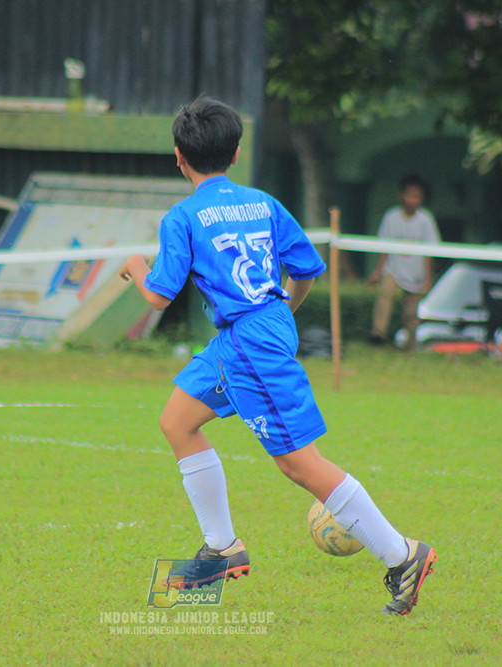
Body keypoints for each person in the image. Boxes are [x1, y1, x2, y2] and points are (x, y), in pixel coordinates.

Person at [119, 97, 436, 615]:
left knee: (297, 463)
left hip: (251, 343)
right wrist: (282, 312)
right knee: (177, 419)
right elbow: (308, 268)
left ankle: (403, 555)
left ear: (178, 157)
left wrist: (135, 265)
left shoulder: (182, 217)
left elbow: (157, 295)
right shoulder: (263, 203)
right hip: (248, 335)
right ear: (237, 153)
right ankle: (222, 550)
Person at [367, 174, 441, 350]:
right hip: (393, 268)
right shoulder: (391, 217)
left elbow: (430, 251)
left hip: (416, 272)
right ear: (401, 195)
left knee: (411, 314)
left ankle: (410, 347)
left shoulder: (425, 219)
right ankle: (379, 333)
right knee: (385, 295)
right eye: (409, 195)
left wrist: (428, 278)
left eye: (416, 196)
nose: (412, 200)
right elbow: (384, 247)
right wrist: (378, 271)